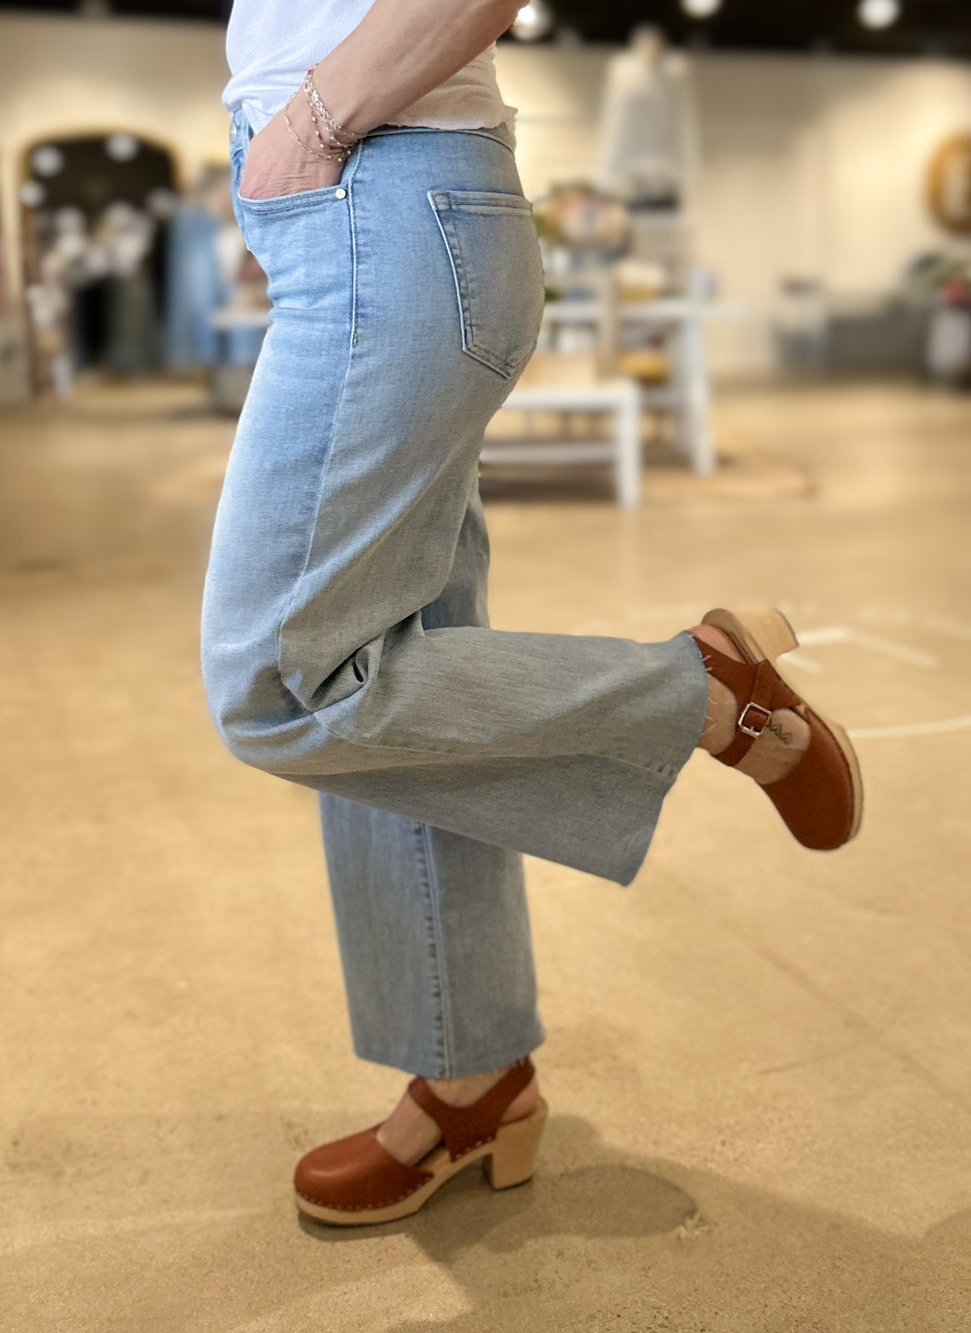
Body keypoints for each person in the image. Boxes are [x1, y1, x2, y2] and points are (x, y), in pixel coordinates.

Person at [202, 0, 864, 1227]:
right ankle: (474, 1081)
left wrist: (309, 125)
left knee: (285, 684)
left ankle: (704, 695)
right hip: (361, 203)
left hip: (378, 188)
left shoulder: (344, 139)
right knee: (408, 675)